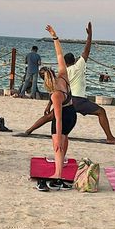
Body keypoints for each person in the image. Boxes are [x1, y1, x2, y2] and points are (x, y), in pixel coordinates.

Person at [18, 22, 115, 144]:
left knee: (50, 116)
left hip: (66, 101)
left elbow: (57, 92)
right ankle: (109, 136)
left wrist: (48, 105)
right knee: (101, 112)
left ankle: (29, 131)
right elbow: (86, 50)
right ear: (74, 60)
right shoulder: (78, 66)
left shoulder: (61, 74)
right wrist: (90, 36)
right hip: (77, 100)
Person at [40, 25, 75, 184]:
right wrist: (55, 37)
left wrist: (58, 139)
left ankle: (58, 173)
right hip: (72, 114)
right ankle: (61, 163)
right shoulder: (63, 76)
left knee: (57, 147)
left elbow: (58, 118)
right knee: (64, 139)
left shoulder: (55, 94)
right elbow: (60, 54)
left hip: (64, 117)